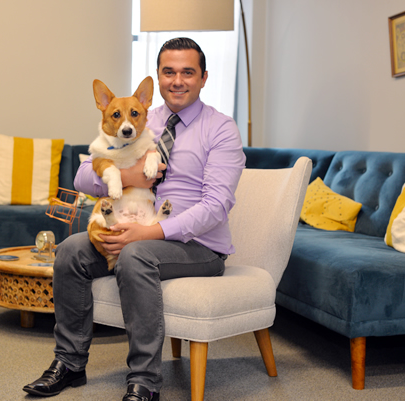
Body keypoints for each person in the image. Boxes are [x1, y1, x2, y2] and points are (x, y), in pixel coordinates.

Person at [23, 37, 246, 401]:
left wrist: (150, 232)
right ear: (158, 78)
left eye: (188, 72)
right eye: (169, 72)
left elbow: (217, 206)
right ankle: (69, 363)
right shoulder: (136, 117)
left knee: (135, 254)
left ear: (204, 77)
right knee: (71, 250)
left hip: (197, 246)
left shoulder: (221, 129)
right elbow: (81, 176)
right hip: (137, 226)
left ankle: (144, 380)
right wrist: (127, 179)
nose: (177, 80)